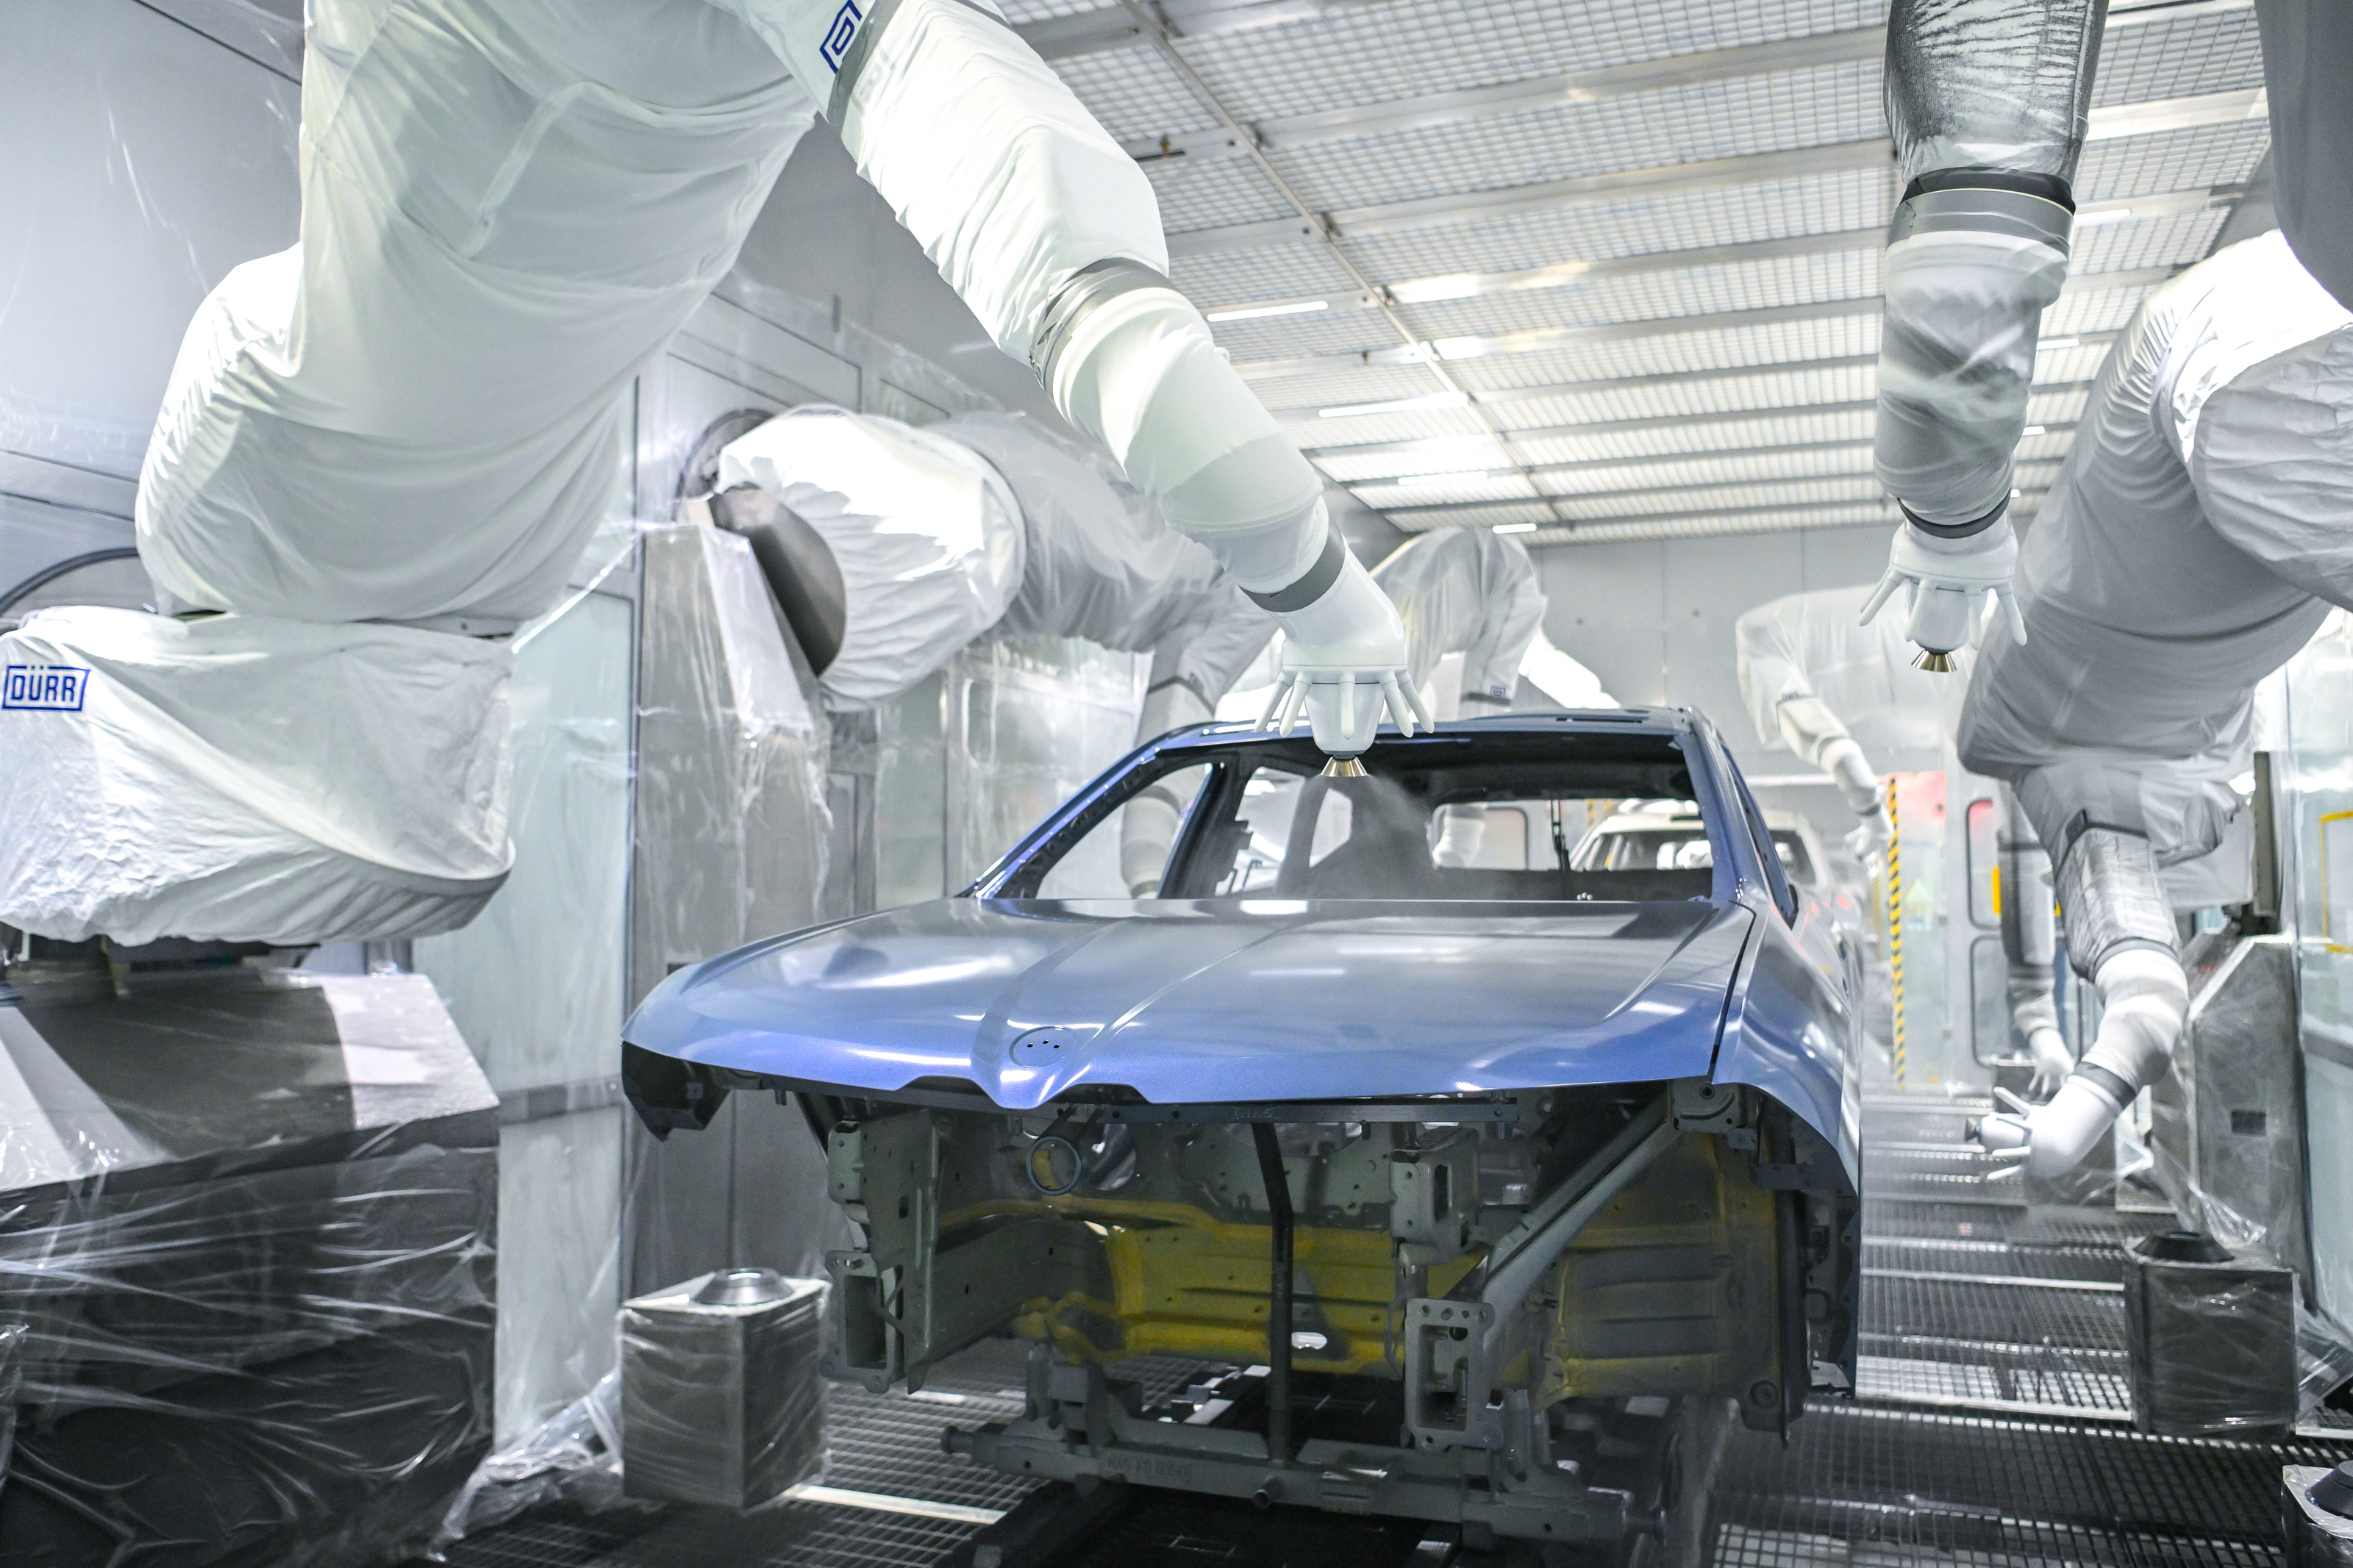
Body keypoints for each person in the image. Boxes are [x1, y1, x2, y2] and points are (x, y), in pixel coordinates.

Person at [1, 0, 1410, 945]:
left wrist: (1308, 585)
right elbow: (1040, 220)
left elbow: (1030, 204)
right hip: (328, 502)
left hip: (361, 505)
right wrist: (1319, 588)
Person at [1958, 231, 2353, 1175]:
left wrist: (2081, 1100)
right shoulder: (2183, 704)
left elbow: (2142, 991)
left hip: (2234, 378)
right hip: (2250, 313)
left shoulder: (2068, 750)